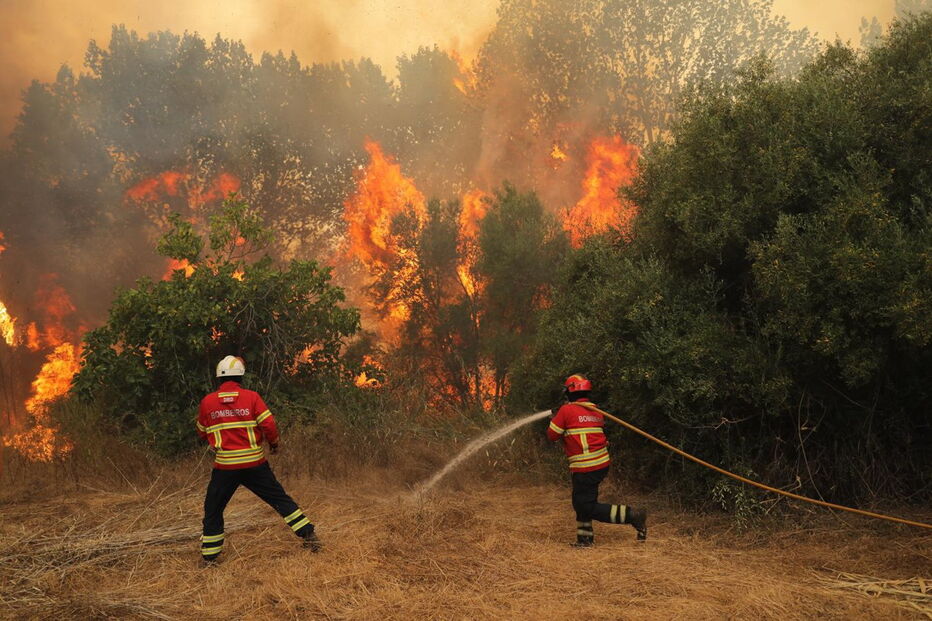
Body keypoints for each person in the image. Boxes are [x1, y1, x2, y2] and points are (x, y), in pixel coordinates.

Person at [196, 355, 320, 564]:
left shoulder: (208, 402)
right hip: (255, 464)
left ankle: (210, 557)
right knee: (279, 499)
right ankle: (309, 536)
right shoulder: (252, 397)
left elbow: (201, 431)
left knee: (213, 509)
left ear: (219, 377)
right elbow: (268, 424)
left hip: (225, 467)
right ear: (241, 377)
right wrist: (274, 443)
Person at [547, 374, 647, 547]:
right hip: (599, 463)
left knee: (585, 505)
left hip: (586, 466)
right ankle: (585, 539)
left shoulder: (566, 410)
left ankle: (632, 515)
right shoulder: (596, 411)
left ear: (570, 391)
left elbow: (552, 435)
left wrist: (554, 419)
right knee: (581, 501)